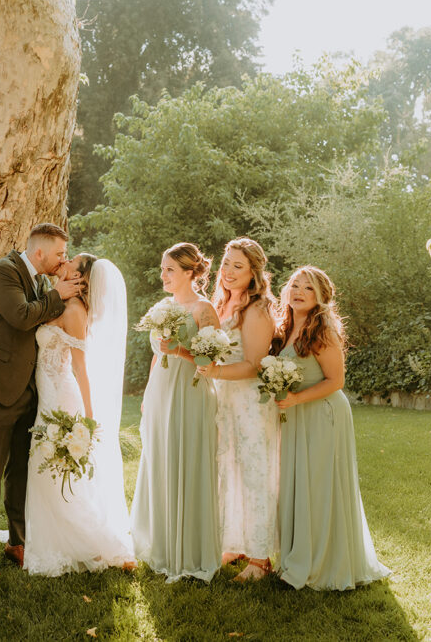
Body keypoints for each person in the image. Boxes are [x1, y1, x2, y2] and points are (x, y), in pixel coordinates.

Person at [0, 223, 82, 579]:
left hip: (29, 389)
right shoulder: (3, 272)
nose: (63, 259)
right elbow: (20, 318)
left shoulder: (40, 281)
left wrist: (56, 293)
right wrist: (59, 294)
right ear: (39, 253)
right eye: (60, 254)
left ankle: (17, 541)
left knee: (20, 471)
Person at [273, 266, 391, 590]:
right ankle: (297, 557)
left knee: (320, 486)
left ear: (320, 298)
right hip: (295, 413)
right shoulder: (284, 328)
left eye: (307, 289)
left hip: (322, 413)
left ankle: (322, 564)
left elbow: (336, 381)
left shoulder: (323, 330)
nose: (298, 292)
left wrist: (297, 399)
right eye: (295, 285)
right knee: (298, 485)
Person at [24, 254, 136, 576]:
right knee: (47, 468)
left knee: (54, 468)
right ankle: (50, 539)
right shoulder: (62, 302)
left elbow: (79, 367)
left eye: (71, 260)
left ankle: (87, 543)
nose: (66, 260)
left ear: (83, 277)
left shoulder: (74, 311)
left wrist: (88, 414)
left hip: (60, 397)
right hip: (46, 392)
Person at [131, 243, 221, 583]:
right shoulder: (162, 307)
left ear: (189, 272)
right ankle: (162, 544)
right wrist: (148, 393)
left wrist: (180, 349)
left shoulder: (203, 309)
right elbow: (158, 354)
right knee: (160, 461)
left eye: (169, 269)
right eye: (162, 269)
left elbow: (210, 361)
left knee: (187, 461)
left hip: (191, 393)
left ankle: (190, 551)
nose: (163, 275)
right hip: (161, 392)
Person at [196, 237, 279, 582]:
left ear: (254, 274)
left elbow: (255, 364)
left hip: (249, 402)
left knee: (254, 472)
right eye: (227, 263)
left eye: (238, 266)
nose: (228, 272)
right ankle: (237, 542)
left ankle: (260, 559)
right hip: (225, 399)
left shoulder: (256, 310)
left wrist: (215, 372)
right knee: (228, 469)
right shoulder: (223, 303)